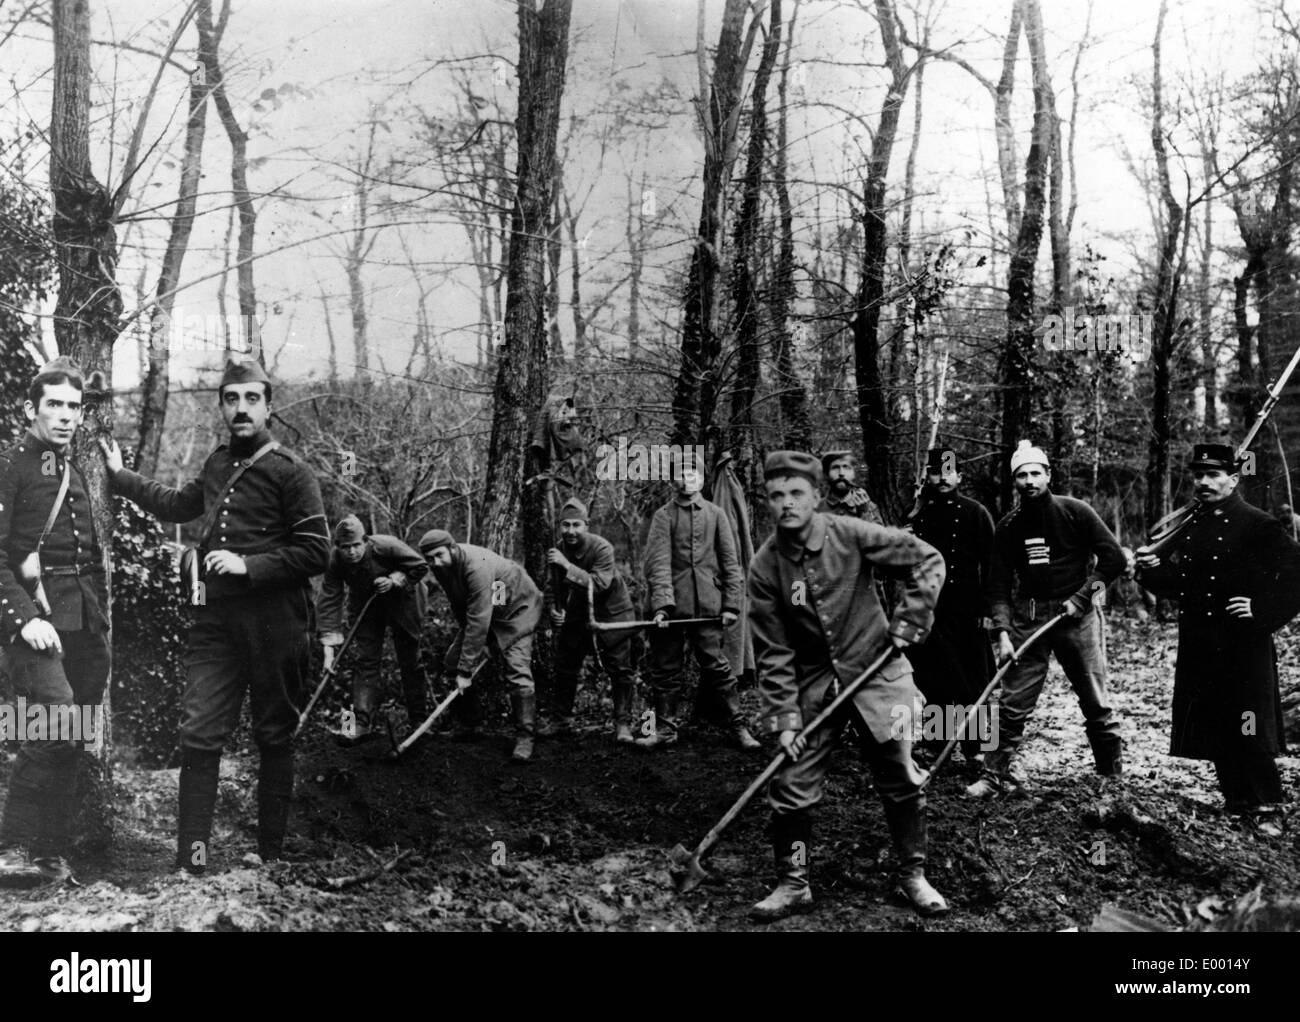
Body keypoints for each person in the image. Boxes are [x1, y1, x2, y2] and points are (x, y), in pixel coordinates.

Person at [102, 359, 330, 874]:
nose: (242, 408)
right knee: (199, 733)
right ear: (223, 405)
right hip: (216, 622)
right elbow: (180, 504)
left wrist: (250, 565)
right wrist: (120, 477)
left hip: (277, 621)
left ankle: (270, 857)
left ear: (269, 405)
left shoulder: (293, 472)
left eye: (252, 398)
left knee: (274, 734)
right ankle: (193, 863)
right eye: (232, 399)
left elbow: (318, 552)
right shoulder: (218, 463)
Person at [747, 451, 948, 920]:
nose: (787, 504)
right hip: (813, 684)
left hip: (878, 673)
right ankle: (794, 882)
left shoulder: (851, 533)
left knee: (901, 778)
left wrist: (908, 622)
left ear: (816, 497)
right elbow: (773, 651)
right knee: (791, 788)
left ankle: (912, 875)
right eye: (777, 496)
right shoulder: (765, 566)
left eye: (797, 493)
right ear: (768, 503)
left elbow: (927, 560)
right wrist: (785, 719)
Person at [1136, 443, 1300, 838]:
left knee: (1248, 722)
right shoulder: (1192, 525)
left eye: (1213, 475)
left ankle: (1266, 805)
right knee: (1218, 720)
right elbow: (1182, 586)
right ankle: (1237, 800)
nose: (1203, 482)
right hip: (1202, 641)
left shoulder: (1259, 524)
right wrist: (1152, 572)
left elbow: (1297, 576)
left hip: (1244, 645)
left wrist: (1262, 610)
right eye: (1198, 475)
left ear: (1234, 479)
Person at [0, 358, 109, 887]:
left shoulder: (74, 468)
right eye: (56, 406)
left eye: (74, 407)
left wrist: (98, 626)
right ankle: (11, 847)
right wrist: (22, 619)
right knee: (54, 719)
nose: (66, 417)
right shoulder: (12, 466)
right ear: (31, 409)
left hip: (83, 621)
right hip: (34, 619)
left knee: (75, 732)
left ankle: (50, 856)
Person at [966, 440, 1125, 798]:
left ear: (1048, 475)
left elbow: (1113, 558)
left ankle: (1112, 778)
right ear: (1015, 482)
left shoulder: (1076, 511)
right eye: (1021, 475)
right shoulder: (1008, 527)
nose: (1029, 480)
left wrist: (1083, 597)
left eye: (1036, 472)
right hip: (1029, 620)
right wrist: (1003, 632)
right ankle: (993, 776)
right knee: (1011, 704)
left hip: (1077, 618)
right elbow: (997, 585)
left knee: (1096, 702)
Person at [636, 461, 759, 751]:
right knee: (665, 669)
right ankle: (665, 730)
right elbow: (658, 563)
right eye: (681, 474)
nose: (687, 480)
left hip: (708, 607)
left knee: (718, 668)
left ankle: (739, 727)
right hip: (671, 608)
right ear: (673, 481)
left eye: (693, 474)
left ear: (702, 480)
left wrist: (731, 604)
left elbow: (731, 562)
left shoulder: (716, 515)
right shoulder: (663, 516)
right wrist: (662, 607)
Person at [904, 447, 996, 766]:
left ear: (959, 476)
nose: (942, 478)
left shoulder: (976, 513)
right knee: (935, 679)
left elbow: (992, 565)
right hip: (932, 611)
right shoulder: (919, 515)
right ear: (927, 476)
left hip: (969, 612)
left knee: (974, 682)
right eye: (935, 472)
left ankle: (977, 748)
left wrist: (988, 611)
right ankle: (935, 742)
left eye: (948, 472)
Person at [418, 529, 543, 761]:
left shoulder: (476, 566)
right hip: (490, 611)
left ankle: (526, 736)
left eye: (439, 555)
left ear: (453, 548)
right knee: (453, 660)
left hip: (517, 610)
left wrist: (467, 670)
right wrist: (468, 656)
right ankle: (471, 724)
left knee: (517, 669)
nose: (435, 562)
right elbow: (462, 608)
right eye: (430, 558)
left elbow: (479, 618)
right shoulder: (442, 568)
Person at [317, 515, 429, 745]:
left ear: (366, 541)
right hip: (366, 606)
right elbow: (330, 597)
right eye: (345, 547)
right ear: (338, 546)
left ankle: (419, 721)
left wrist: (396, 579)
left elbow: (420, 566)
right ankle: (358, 723)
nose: (352, 552)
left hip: (403, 602)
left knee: (409, 659)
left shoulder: (386, 545)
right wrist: (328, 645)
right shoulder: (335, 559)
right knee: (365, 660)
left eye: (356, 545)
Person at [542, 498, 637, 743]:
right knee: (565, 663)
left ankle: (623, 724)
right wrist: (555, 609)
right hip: (578, 611)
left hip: (612, 612)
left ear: (587, 525)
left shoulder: (602, 547)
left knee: (620, 668)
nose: (571, 531)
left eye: (576, 525)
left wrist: (566, 565)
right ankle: (561, 721)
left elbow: (600, 584)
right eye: (565, 525)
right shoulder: (557, 550)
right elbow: (552, 586)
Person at [819, 450, 885, 524]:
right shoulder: (816, 508)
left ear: (854, 474)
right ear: (827, 474)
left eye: (846, 467)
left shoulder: (870, 507)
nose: (841, 473)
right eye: (835, 468)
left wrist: (864, 513)